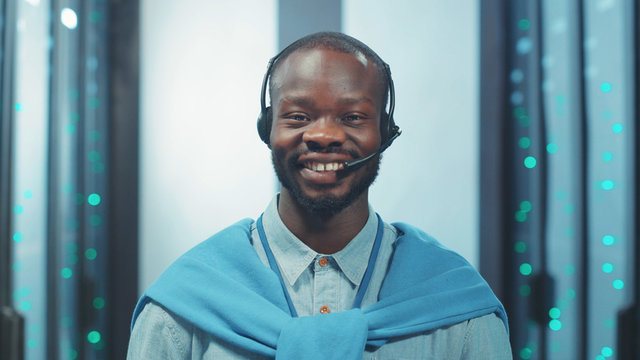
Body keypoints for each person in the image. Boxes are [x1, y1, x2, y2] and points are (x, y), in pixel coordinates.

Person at [127, 32, 512, 359]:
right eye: (298, 116)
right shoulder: (180, 309)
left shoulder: (459, 309)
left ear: (386, 132)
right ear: (267, 128)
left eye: (353, 117)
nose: (323, 136)